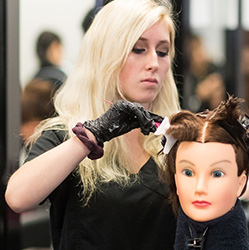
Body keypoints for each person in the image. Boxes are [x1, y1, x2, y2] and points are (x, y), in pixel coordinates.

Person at [5, 0, 180, 249]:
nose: (154, 63)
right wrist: (91, 135)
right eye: (138, 49)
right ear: (106, 54)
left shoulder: (174, 137)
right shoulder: (64, 134)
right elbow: (18, 197)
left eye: (162, 52)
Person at [157, 95, 249, 249]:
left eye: (217, 174)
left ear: (240, 183)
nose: (200, 188)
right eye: (188, 173)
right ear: (176, 179)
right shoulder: (186, 221)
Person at [185, 34, 225, 112]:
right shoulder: (187, 79)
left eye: (201, 47)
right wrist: (199, 96)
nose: (200, 53)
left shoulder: (214, 69)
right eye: (195, 50)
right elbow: (186, 109)